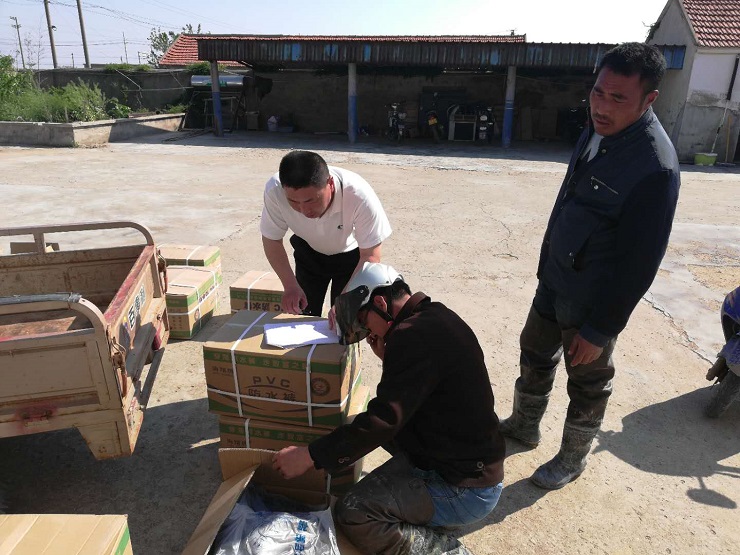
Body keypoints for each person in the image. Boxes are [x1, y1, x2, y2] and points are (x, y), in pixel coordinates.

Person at [498, 42, 681, 490]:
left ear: (649, 99)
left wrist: (601, 329)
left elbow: (641, 263)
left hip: (592, 296)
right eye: (598, 91)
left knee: (588, 381)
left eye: (618, 98)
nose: (602, 106)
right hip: (556, 276)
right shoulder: (597, 130)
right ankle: (524, 425)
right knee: (534, 351)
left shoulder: (654, 168)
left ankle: (572, 458)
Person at [273, 262, 505, 555]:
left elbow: (384, 420)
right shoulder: (434, 317)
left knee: (354, 513)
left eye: (363, 320)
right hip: (467, 462)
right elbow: (419, 393)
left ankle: (445, 550)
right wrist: (391, 356)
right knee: (362, 432)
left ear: (380, 303)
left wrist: (310, 455)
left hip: (465, 488)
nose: (366, 330)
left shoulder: (412, 336)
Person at [260, 150, 392, 317]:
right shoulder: (275, 190)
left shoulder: (359, 195)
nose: (304, 210)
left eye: (311, 200)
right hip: (308, 252)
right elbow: (271, 239)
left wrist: (346, 301)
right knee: (302, 315)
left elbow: (370, 256)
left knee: (345, 320)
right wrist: (290, 286)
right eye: (293, 202)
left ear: (330, 183)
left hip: (352, 258)